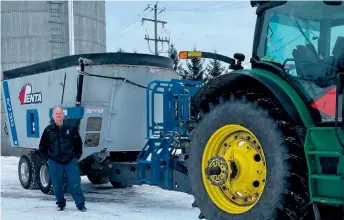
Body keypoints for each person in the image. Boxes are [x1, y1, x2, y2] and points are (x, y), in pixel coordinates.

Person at [39, 106, 86, 212]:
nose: (59, 115)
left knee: (75, 183)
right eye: (57, 114)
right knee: (57, 184)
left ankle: (80, 204)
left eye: (60, 113)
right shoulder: (48, 130)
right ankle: (60, 204)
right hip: (55, 161)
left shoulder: (71, 128)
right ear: (53, 116)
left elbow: (78, 144)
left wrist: (76, 157)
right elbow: (42, 147)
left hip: (70, 161)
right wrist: (48, 159)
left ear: (63, 115)